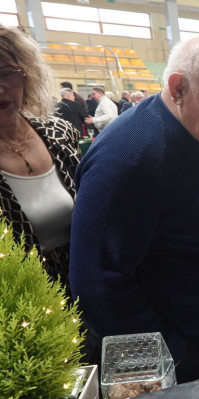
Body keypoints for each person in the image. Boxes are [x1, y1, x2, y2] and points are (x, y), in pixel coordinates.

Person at [69, 36, 199, 382]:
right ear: (178, 89)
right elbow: (97, 282)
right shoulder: (128, 158)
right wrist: (170, 351)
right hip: (171, 352)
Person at [0, 26, 81, 293]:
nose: (0, 88)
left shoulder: (60, 133)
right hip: (20, 298)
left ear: (27, 75)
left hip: (81, 280)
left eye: (6, 73)